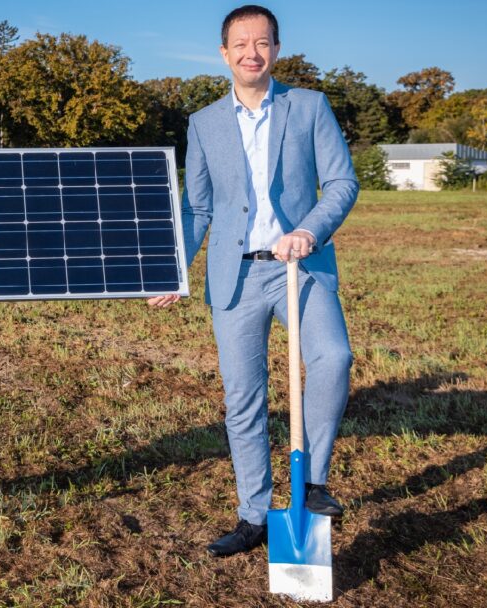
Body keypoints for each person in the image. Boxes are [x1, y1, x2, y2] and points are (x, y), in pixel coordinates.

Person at [149, 5, 357, 557]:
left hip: (299, 267)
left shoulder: (310, 107)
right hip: (235, 275)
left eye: (262, 43)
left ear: (276, 49)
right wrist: (174, 266)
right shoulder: (204, 122)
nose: (251, 53)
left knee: (333, 358)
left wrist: (309, 232)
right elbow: (197, 207)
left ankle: (310, 483)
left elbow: (341, 182)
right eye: (240, 44)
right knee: (244, 399)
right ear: (224, 53)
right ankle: (254, 514)